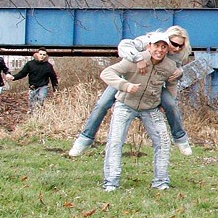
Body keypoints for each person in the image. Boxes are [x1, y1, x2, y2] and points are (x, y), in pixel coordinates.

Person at [69, 26, 193, 157]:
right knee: (102, 104)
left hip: (153, 86)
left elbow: (174, 73)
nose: (177, 48)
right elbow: (124, 45)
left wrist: (180, 71)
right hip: (128, 79)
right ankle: (84, 139)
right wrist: (138, 59)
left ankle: (181, 139)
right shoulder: (148, 41)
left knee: (171, 104)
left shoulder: (177, 54)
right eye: (174, 44)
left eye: (181, 46)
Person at [98, 33, 180, 192]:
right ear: (149, 46)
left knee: (163, 141)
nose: (160, 50)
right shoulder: (134, 60)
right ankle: (111, 182)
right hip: (125, 104)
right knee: (115, 141)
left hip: (150, 108)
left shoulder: (169, 66)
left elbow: (172, 83)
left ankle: (161, 182)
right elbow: (107, 73)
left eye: (164, 47)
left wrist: (168, 102)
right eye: (156, 46)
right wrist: (124, 85)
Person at [11, 49, 60, 113]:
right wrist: (14, 77)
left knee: (41, 99)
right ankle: (32, 114)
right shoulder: (30, 64)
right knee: (32, 102)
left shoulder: (48, 66)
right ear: (37, 54)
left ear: (46, 56)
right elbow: (22, 73)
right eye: (40, 54)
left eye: (44, 55)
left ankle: (39, 114)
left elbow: (53, 78)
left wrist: (55, 89)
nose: (42, 56)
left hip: (43, 86)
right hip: (33, 86)